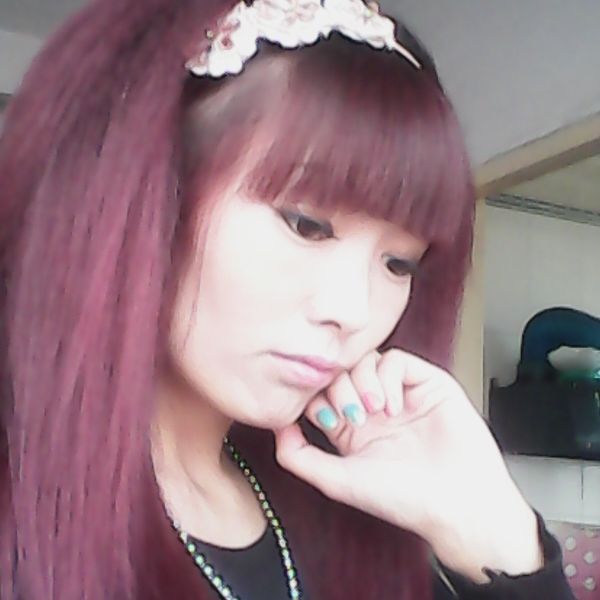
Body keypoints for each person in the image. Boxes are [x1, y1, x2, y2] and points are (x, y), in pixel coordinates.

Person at [0, 0, 576, 598]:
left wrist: (489, 528)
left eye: (398, 264)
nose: (353, 312)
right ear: (151, 195)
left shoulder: (337, 515)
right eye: (306, 226)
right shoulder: (25, 520)